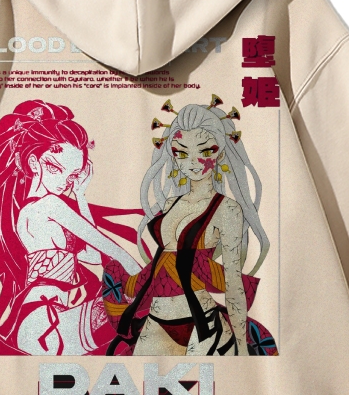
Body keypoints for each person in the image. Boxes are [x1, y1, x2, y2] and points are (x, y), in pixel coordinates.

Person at [102, 95, 278, 356]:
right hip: (156, 319)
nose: (193, 162)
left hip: (203, 324)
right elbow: (160, 264)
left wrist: (241, 346)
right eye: (181, 153)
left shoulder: (227, 209)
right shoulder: (170, 203)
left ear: (220, 152)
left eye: (205, 151)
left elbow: (233, 282)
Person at [0, 100, 142, 355]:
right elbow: (105, 246)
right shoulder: (49, 205)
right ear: (33, 163)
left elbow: (94, 255)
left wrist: (80, 195)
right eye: (56, 168)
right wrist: (143, 279)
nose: (64, 182)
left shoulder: (37, 212)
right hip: (46, 320)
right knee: (146, 313)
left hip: (47, 318)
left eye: (72, 175)